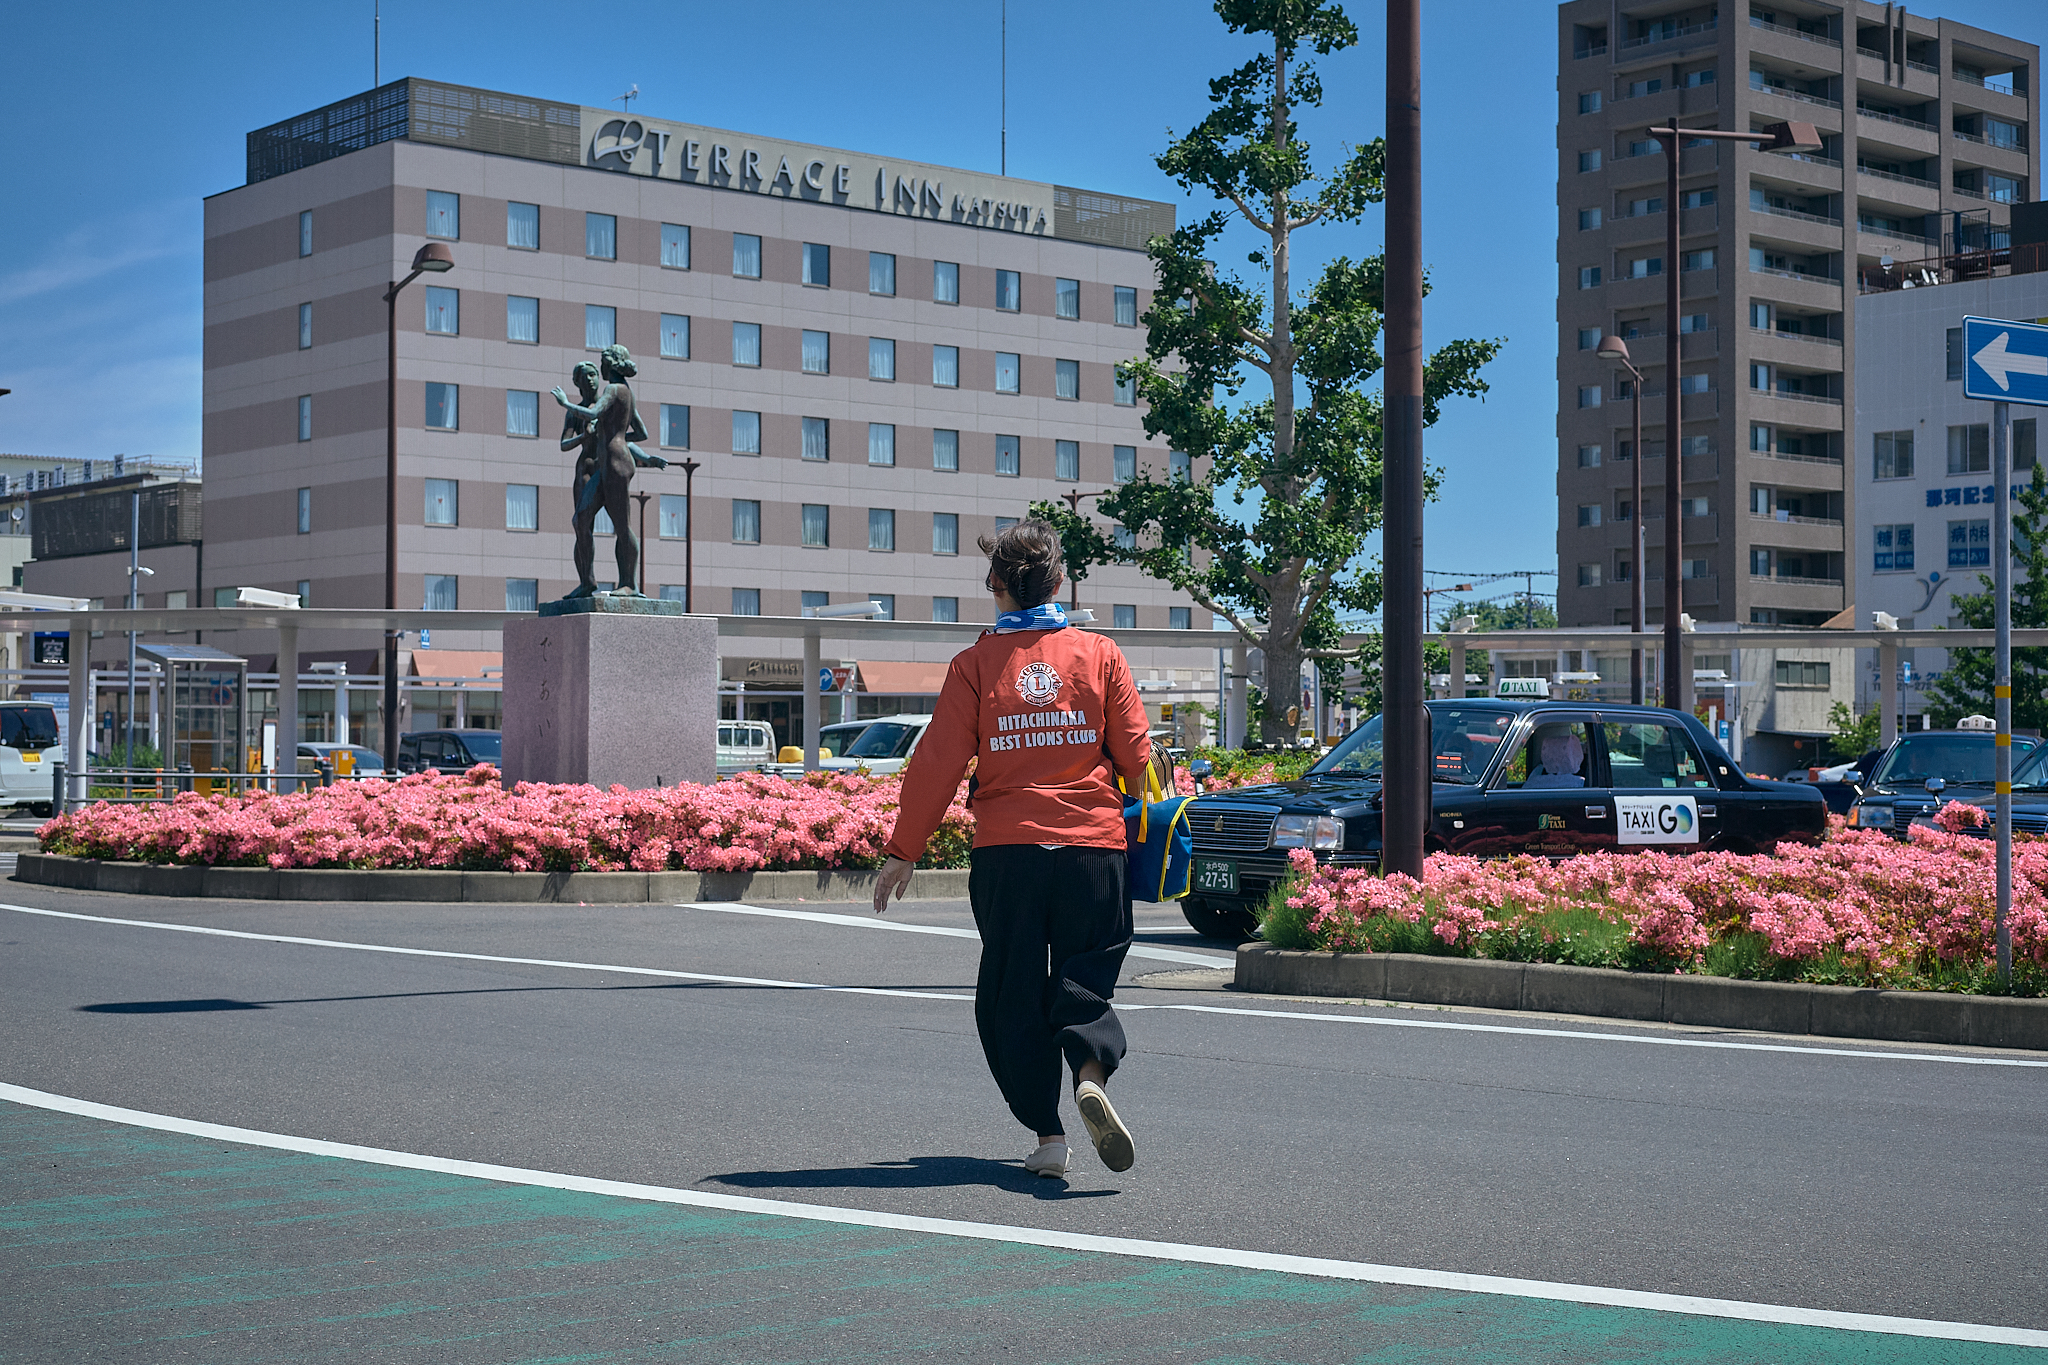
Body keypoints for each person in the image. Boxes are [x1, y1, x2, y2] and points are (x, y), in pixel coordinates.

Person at [873, 521, 1152, 1179]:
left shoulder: (974, 665)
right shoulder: (1100, 653)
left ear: (995, 585)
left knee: (1011, 989)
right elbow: (1137, 758)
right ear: (1059, 583)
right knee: (1086, 975)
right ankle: (1090, 1076)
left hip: (1008, 853)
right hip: (1093, 849)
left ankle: (1049, 1136)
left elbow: (937, 764)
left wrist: (904, 848)